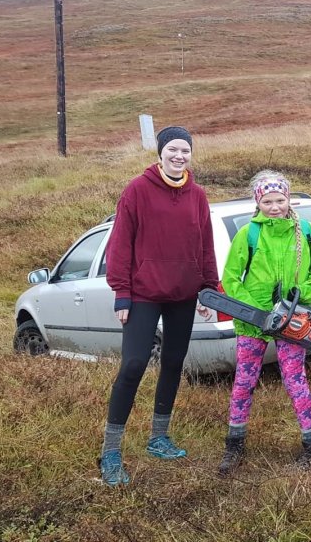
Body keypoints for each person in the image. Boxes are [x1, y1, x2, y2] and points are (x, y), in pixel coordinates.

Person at [100, 125, 219, 486]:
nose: (179, 156)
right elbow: (120, 243)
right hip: (143, 294)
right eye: (173, 149)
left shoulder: (197, 195)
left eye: (185, 150)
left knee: (173, 362)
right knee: (134, 364)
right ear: (161, 152)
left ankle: (159, 438)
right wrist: (121, 292)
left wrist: (208, 288)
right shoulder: (137, 189)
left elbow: (205, 244)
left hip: (183, 294)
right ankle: (110, 451)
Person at [216, 170, 311, 475]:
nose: (274, 207)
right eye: (267, 201)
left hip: (292, 320)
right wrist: (254, 310)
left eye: (279, 200)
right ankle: (234, 443)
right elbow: (231, 277)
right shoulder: (248, 234)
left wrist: (305, 292)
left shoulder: (306, 231)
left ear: (288, 199)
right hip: (253, 322)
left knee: (296, 381)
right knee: (244, 381)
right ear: (258, 202)